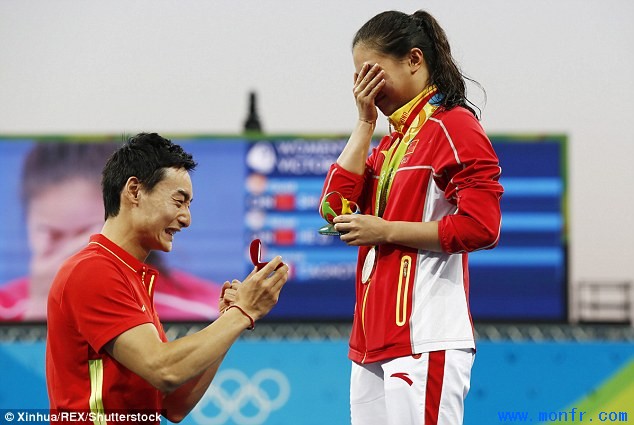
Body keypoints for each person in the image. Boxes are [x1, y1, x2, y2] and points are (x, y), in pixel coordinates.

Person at [320, 10, 503, 425]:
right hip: (371, 341)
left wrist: (385, 230)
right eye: (358, 77)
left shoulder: (454, 127)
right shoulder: (389, 144)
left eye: (373, 73)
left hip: (426, 336)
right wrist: (364, 122)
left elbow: (482, 226)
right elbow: (333, 207)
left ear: (414, 60)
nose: (365, 87)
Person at [46, 133, 289, 421]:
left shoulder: (130, 277)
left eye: (188, 205)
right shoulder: (93, 271)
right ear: (134, 191)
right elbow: (164, 370)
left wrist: (230, 319)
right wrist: (243, 312)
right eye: (179, 201)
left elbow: (174, 404)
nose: (186, 218)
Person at [0, 141, 222, 321]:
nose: (71, 253)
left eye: (86, 233)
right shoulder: (5, 310)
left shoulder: (208, 313)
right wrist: (42, 308)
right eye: (52, 234)